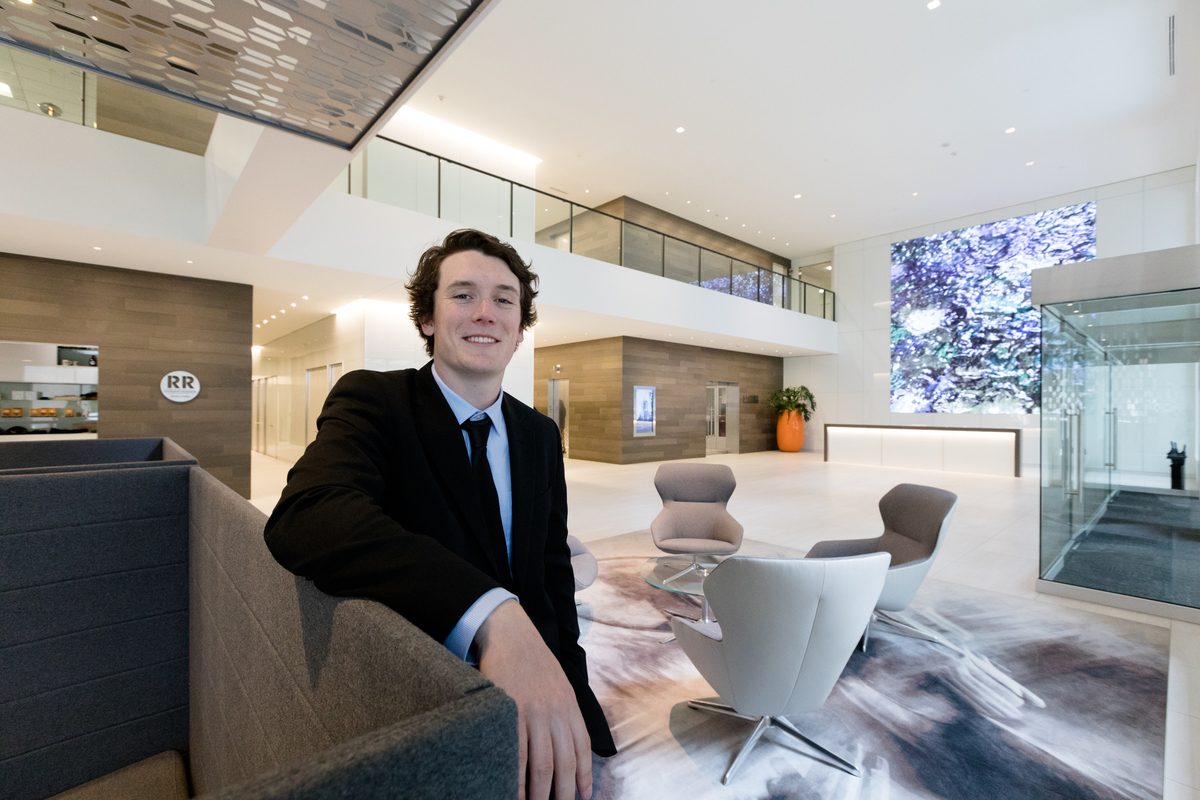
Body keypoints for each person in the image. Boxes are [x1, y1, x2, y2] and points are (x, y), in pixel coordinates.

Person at [264, 229, 614, 800]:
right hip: (433, 706)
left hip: (542, 694)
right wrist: (493, 614)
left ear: (521, 328)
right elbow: (307, 515)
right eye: (462, 295)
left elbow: (551, 570)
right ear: (426, 319)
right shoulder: (376, 401)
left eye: (505, 300)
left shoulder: (540, 435)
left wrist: (569, 682)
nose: (485, 312)